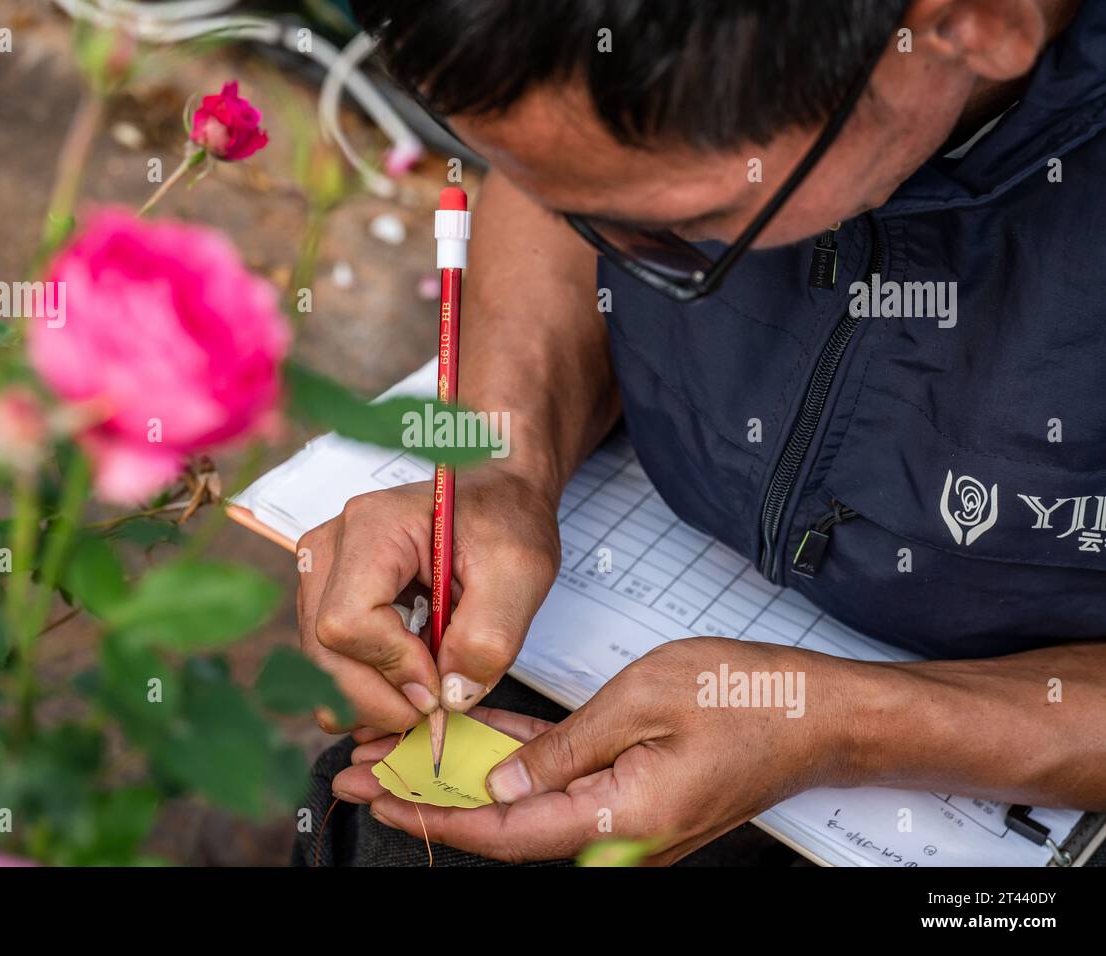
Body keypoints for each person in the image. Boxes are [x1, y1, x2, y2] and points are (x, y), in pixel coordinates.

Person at [291, 0, 1106, 866]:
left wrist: (851, 727)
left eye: (683, 230)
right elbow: (574, 165)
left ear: (972, 24)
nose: (596, 234)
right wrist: (508, 464)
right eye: (552, 191)